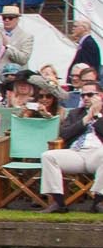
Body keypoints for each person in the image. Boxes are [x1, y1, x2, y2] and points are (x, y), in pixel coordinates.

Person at [40, 85, 103, 213]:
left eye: (90, 95)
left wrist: (96, 115)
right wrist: (86, 119)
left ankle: (98, 202)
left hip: (98, 153)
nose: (86, 98)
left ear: (100, 95)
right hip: (77, 152)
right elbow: (64, 134)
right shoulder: (75, 113)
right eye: (83, 95)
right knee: (48, 156)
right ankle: (58, 203)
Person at [0, 5, 34, 77]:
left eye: (10, 18)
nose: (7, 20)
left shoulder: (26, 37)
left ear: (17, 19)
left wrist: (8, 46)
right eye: (4, 18)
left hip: (13, 77)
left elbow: (23, 59)